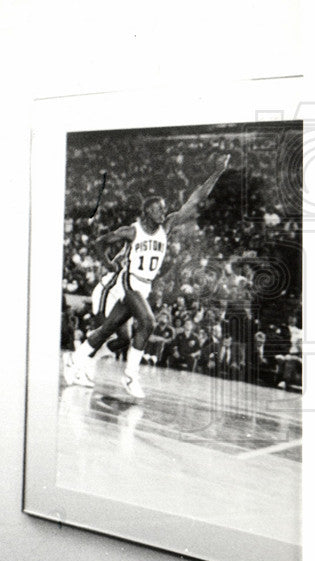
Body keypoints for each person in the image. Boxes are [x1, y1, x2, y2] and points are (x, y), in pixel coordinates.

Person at [69, 154, 230, 398]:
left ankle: (78, 358)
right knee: (147, 322)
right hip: (121, 283)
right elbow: (101, 242)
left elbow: (195, 201)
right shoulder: (132, 231)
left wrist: (217, 173)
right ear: (146, 211)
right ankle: (130, 375)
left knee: (115, 333)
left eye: (164, 209)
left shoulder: (166, 227)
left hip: (143, 286)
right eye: (158, 209)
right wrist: (107, 263)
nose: (163, 211)